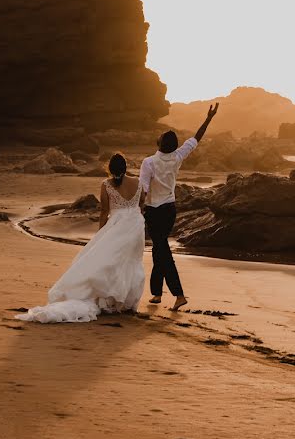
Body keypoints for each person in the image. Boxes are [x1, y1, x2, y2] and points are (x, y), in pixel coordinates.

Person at [16, 154, 146, 323]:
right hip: (135, 226)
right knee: (129, 262)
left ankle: (110, 300)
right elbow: (142, 204)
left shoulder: (106, 185)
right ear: (126, 167)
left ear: (110, 169)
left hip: (117, 225)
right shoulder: (138, 182)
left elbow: (104, 211)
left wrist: (101, 233)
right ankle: (123, 302)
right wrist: (135, 217)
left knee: (108, 260)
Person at [140, 103, 219, 311]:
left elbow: (143, 190)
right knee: (160, 247)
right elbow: (196, 139)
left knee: (163, 250)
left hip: (154, 211)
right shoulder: (178, 156)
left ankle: (179, 294)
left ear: (159, 143)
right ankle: (156, 293)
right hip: (170, 210)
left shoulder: (148, 162)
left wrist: (137, 210)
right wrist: (209, 118)